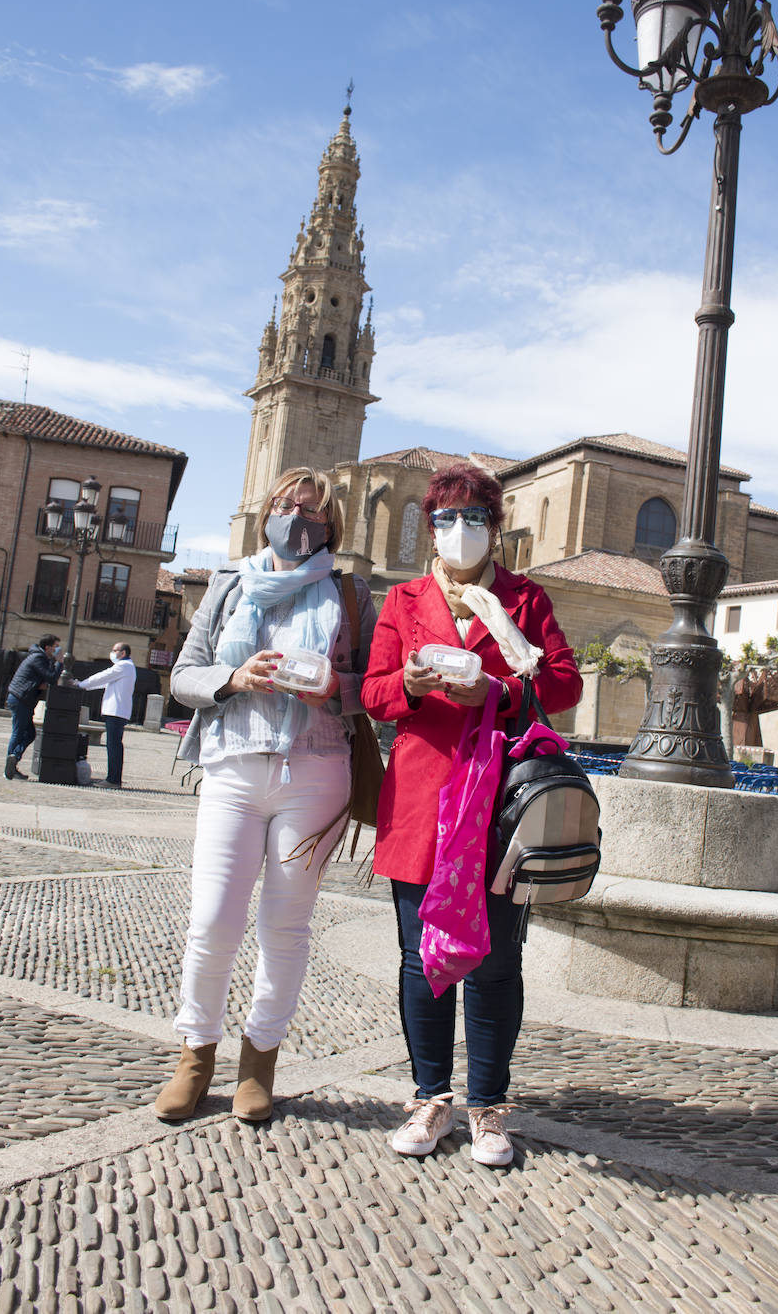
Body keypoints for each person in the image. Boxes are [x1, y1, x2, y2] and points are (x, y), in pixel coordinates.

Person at [361, 463, 582, 1166]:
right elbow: (372, 691)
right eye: (447, 518)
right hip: (422, 800)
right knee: (418, 956)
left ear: (495, 526)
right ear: (431, 526)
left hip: (500, 804)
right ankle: (431, 1098)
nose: (461, 531)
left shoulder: (525, 598)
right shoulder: (404, 598)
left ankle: (487, 1106)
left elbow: (564, 683)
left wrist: (499, 692)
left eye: (474, 517)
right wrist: (413, 684)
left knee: (494, 962)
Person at [155, 466, 375, 1124]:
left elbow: (378, 691)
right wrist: (233, 676)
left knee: (284, 926)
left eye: (311, 512)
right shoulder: (228, 583)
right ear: (266, 514)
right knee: (213, 921)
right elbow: (182, 678)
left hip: (317, 770)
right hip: (232, 767)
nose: (297, 518)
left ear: (330, 526)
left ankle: (260, 1061)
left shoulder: (350, 592)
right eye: (286, 506)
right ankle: (195, 1056)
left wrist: (332, 688)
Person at [4, 634, 63, 778]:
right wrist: (59, 662)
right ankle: (9, 766)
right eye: (56, 646)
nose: (58, 649)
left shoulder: (42, 658)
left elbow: (45, 680)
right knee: (18, 732)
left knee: (30, 734)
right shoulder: (38, 658)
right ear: (47, 647)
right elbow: (51, 677)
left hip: (24, 699)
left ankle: (14, 760)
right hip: (20, 699)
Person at [80, 642, 137, 788]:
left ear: (123, 653)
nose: (112, 653)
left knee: (113, 746)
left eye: (115, 650)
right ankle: (113, 778)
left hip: (116, 711)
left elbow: (103, 676)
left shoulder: (123, 666)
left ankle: (113, 779)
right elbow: (104, 682)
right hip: (117, 711)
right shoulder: (126, 667)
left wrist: (81, 685)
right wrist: (85, 686)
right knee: (114, 745)